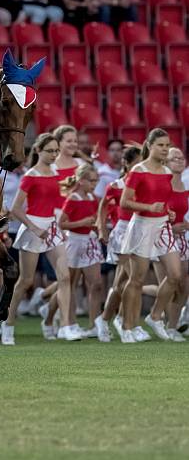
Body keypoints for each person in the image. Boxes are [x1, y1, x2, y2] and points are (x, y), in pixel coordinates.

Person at [2, 134, 81, 345]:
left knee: (64, 277)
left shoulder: (56, 173)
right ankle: (7, 324)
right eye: (50, 151)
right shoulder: (30, 176)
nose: (55, 154)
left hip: (52, 227)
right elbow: (16, 209)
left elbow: (61, 197)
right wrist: (34, 228)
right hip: (33, 228)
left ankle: (65, 326)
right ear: (38, 151)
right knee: (25, 281)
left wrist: (78, 177)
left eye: (56, 151)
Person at [120, 128, 179, 343]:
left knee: (175, 275)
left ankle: (155, 316)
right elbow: (124, 203)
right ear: (150, 145)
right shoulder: (138, 170)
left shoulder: (166, 172)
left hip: (162, 226)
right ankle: (127, 327)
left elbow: (164, 199)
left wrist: (168, 211)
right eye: (160, 145)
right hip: (142, 226)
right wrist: (148, 207)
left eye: (167, 145)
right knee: (136, 279)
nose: (165, 149)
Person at [95, 145, 142, 343]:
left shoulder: (144, 184)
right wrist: (101, 228)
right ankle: (124, 324)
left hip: (141, 230)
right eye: (137, 163)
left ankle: (110, 319)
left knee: (128, 281)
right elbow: (103, 207)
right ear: (127, 163)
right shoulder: (115, 185)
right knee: (128, 279)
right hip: (123, 232)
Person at [59, 164, 104, 338]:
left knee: (96, 284)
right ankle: (69, 323)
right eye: (91, 180)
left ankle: (94, 324)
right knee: (70, 284)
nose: (94, 184)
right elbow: (61, 223)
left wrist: (95, 226)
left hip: (89, 241)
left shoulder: (92, 197)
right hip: (74, 242)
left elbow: (92, 219)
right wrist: (81, 223)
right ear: (81, 181)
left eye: (96, 180)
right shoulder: (73, 198)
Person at [165, 147, 189, 339]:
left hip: (180, 239)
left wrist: (184, 225)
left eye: (182, 158)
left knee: (183, 284)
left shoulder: (183, 183)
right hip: (162, 238)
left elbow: (182, 215)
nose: (180, 161)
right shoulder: (163, 184)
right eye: (175, 158)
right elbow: (150, 214)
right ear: (166, 162)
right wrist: (171, 229)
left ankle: (172, 325)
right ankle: (163, 321)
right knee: (172, 281)